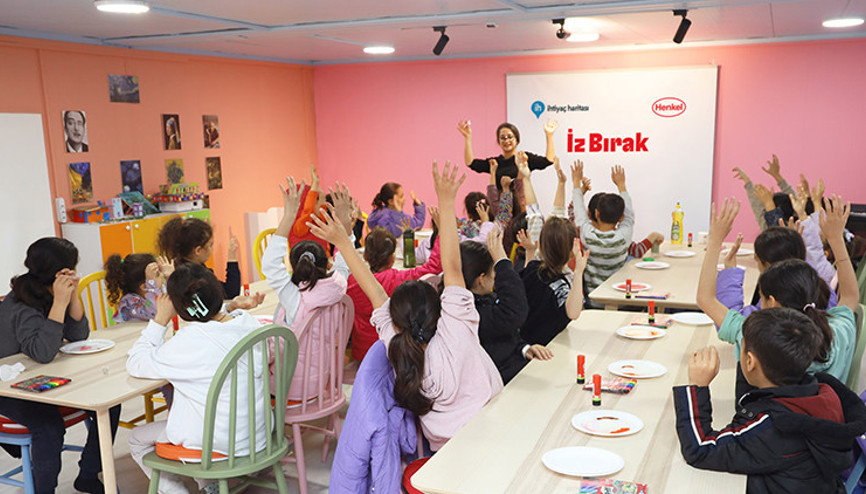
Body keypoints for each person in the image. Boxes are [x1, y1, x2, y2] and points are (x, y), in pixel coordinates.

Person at [308, 161, 502, 451]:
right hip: (488, 433)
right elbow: (451, 266)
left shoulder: (398, 347)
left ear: (396, 320)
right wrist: (446, 203)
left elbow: (374, 290)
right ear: (440, 312)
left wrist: (342, 242)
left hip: (441, 451)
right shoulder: (455, 334)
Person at [673, 309, 866, 493]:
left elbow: (701, 449)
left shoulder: (772, 426)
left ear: (750, 361)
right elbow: (747, 406)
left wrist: (697, 387)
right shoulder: (823, 392)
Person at [126, 262, 266, 494]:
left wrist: (160, 320)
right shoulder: (246, 322)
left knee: (137, 439)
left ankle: (178, 491)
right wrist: (230, 308)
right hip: (256, 434)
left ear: (178, 306)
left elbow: (136, 363)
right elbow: (218, 325)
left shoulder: (188, 342)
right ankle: (209, 485)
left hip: (216, 443)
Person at [697, 196, 858, 388]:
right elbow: (849, 296)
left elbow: (705, 298)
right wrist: (836, 239)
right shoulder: (838, 331)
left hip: (767, 416)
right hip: (831, 416)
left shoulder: (759, 337)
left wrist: (715, 240)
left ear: (771, 303)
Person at [0, 237, 120, 494]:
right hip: (8, 388)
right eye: (67, 270)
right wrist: (59, 303)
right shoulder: (21, 304)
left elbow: (79, 335)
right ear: (55, 272)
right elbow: (42, 353)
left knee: (109, 404)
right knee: (49, 426)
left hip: (42, 379)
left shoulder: (50, 289)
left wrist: (72, 296)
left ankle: (88, 474)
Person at [262, 177, 353, 404]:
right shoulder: (338, 286)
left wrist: (288, 216)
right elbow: (348, 258)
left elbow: (271, 265)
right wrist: (344, 222)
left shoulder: (294, 298)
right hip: (319, 382)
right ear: (327, 263)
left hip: (290, 388)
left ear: (293, 265)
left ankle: (267, 430)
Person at [462, 228, 553, 384]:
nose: (496, 276)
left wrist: (523, 348)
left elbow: (504, 332)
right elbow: (514, 312)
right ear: (481, 279)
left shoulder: (485, 299)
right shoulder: (472, 313)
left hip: (513, 367)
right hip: (499, 382)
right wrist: (501, 261)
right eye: (494, 272)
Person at [346, 220, 442, 363]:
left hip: (361, 353)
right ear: (392, 258)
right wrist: (440, 234)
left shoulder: (353, 281)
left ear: (365, 256)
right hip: (393, 352)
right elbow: (433, 268)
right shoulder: (398, 279)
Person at [518, 153, 589, 345]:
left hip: (526, 345)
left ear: (541, 243)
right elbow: (573, 313)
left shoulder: (534, 267)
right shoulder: (565, 281)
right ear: (570, 250)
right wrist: (579, 271)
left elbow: (536, 215)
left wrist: (528, 179)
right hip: (549, 349)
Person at [570, 161, 635, 295]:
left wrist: (576, 182)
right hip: (620, 298)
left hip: (593, 301)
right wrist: (621, 185)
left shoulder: (588, 236)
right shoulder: (623, 238)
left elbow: (578, 210)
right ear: (621, 217)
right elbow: (629, 216)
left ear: (597, 213)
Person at [458, 119, 557, 189]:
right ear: (499, 141)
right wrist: (467, 138)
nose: (506, 140)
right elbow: (471, 163)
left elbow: (548, 160)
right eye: (503, 138)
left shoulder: (524, 158)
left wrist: (549, 135)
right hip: (500, 209)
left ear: (517, 140)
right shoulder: (495, 163)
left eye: (510, 137)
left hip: (521, 208)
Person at [157, 217, 241, 299]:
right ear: (198, 250)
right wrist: (232, 257)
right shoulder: (194, 276)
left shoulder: (188, 265)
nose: (212, 249)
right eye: (210, 245)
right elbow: (230, 292)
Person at [104, 253, 163, 323]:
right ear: (144, 286)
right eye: (158, 275)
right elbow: (156, 315)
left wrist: (170, 276)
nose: (162, 276)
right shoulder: (130, 304)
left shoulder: (155, 291)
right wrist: (152, 286)